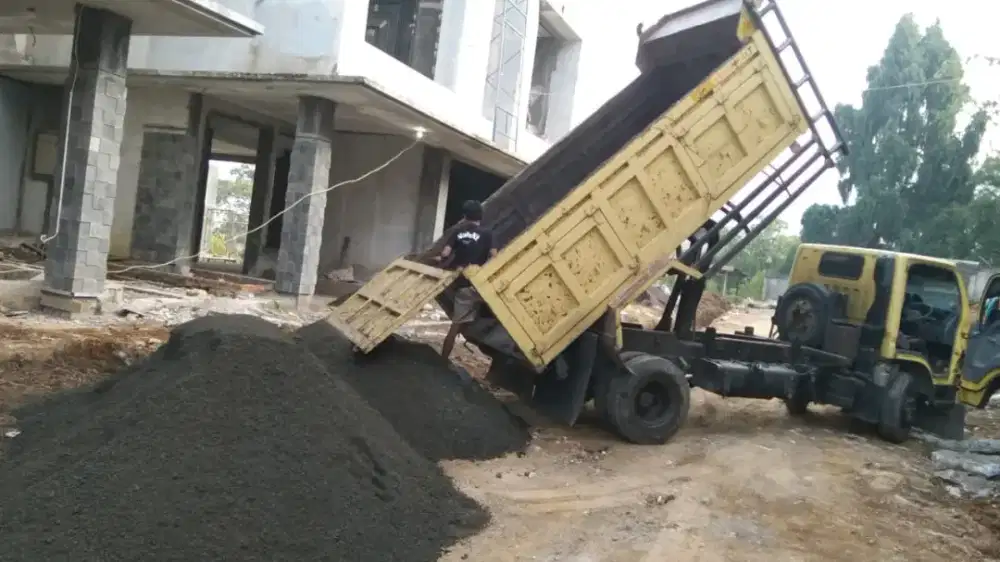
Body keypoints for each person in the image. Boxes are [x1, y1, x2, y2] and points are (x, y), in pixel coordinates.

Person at [435, 200, 497, 359]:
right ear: (481, 216)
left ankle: (443, 360)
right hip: (480, 286)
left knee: (455, 327)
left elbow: (445, 254)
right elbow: (494, 256)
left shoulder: (457, 231)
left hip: (463, 287)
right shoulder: (487, 233)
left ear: (464, 216)